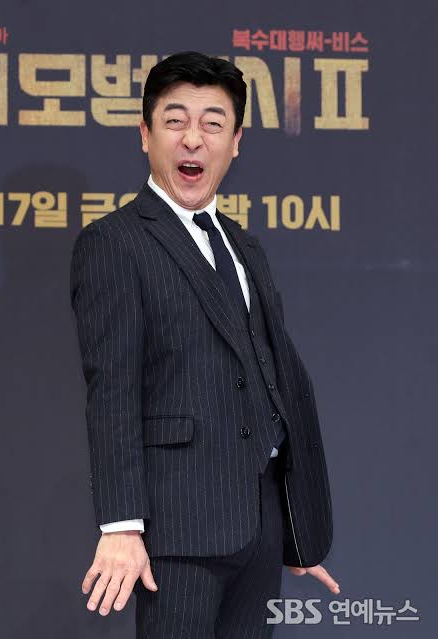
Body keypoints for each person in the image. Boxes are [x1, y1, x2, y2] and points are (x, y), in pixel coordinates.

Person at [70, 51, 338, 638]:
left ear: (235, 142)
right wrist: (121, 525)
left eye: (213, 124)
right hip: (178, 529)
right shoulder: (115, 242)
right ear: (145, 134)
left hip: (259, 528)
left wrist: (296, 522)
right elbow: (113, 389)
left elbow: (272, 379)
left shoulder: (245, 246)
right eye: (175, 121)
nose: (193, 139)